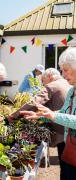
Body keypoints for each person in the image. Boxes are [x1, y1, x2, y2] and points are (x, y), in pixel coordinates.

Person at [20, 47, 76, 180]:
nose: (62, 74)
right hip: (70, 151)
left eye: (65, 70)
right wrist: (41, 116)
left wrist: (53, 115)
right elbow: (62, 113)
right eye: (62, 70)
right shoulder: (71, 91)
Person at [9, 68, 71, 169]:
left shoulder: (52, 86)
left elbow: (35, 102)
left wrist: (15, 115)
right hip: (69, 129)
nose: (42, 83)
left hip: (62, 129)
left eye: (43, 80)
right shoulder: (67, 83)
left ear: (50, 76)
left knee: (66, 165)